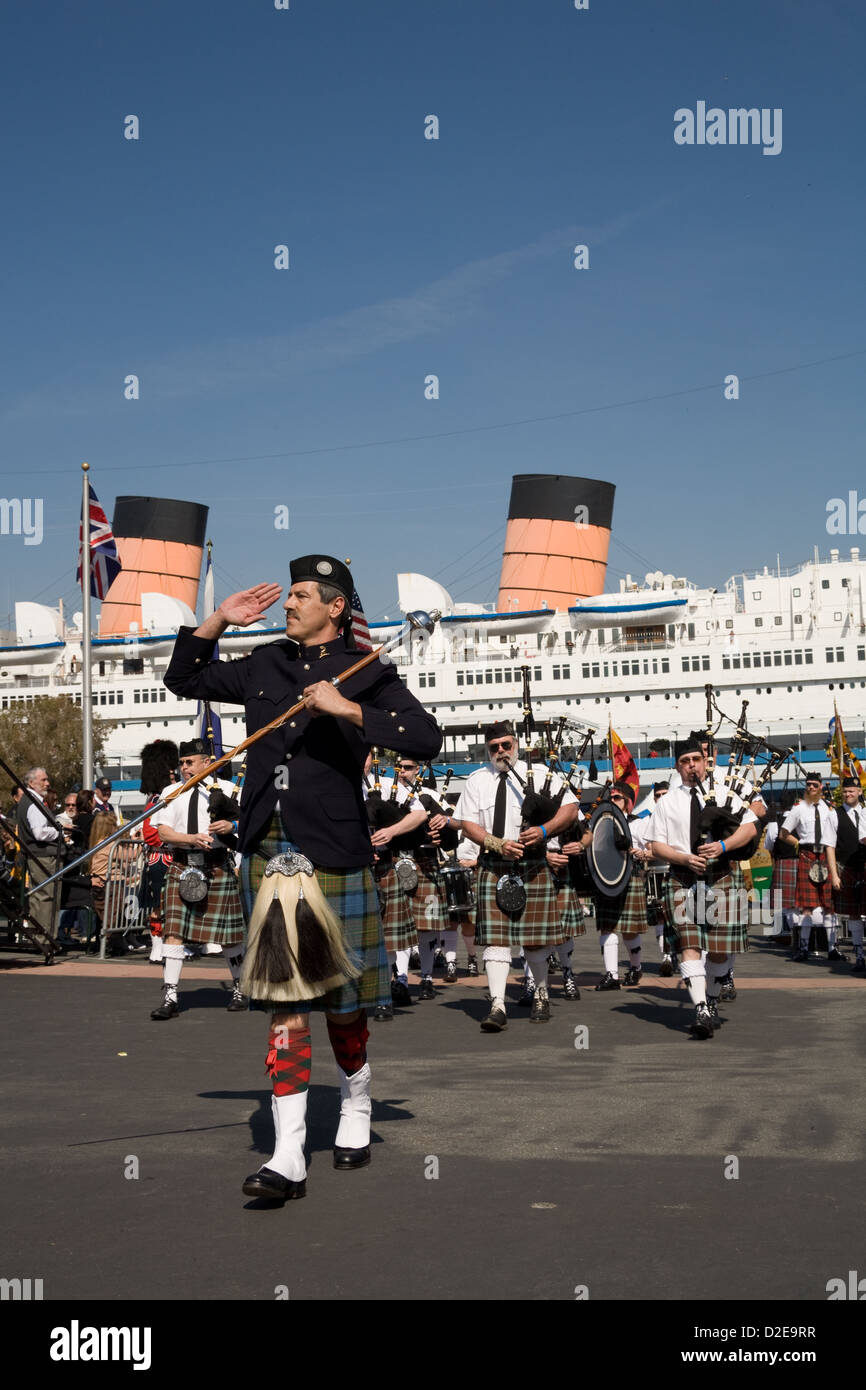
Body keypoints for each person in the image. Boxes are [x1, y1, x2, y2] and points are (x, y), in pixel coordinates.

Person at [163, 556, 441, 1204]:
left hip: (335, 849)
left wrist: (348, 708)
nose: (287, 603)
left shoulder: (365, 670)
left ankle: (357, 1101)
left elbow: (425, 736)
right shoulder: (265, 663)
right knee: (286, 1006)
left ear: (336, 607)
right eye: (286, 594)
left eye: (300, 595)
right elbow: (185, 677)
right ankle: (288, 1155)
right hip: (269, 850)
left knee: (343, 1010)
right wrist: (216, 621)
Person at [455, 721, 582, 1030]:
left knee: (536, 942)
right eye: (494, 746)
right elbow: (467, 824)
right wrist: (496, 844)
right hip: (494, 865)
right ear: (488, 748)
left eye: (506, 745)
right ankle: (498, 1005)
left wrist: (543, 830)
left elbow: (572, 808)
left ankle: (541, 994)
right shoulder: (477, 780)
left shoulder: (539, 775)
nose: (501, 751)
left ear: (516, 744)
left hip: (533, 865)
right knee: (496, 942)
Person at [648, 739, 759, 1038]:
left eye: (696, 759)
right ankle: (700, 1008)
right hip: (683, 877)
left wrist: (723, 846)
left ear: (705, 761)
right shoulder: (667, 802)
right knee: (690, 944)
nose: (691, 765)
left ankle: (710, 997)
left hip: (721, 875)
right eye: (685, 761)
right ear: (677, 766)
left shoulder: (725, 793)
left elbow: (749, 827)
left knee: (721, 952)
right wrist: (684, 857)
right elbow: (656, 845)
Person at [147, 739, 248, 1017]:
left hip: (217, 865)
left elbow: (249, 822)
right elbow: (163, 833)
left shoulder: (227, 790)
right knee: (173, 931)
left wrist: (231, 825)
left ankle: (239, 987)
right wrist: (190, 838)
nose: (184, 768)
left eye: (189, 762)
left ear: (207, 762)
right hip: (181, 866)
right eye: (181, 763)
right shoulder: (171, 791)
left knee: (229, 935)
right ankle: (170, 996)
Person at [363, 754, 426, 1017]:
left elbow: (420, 813)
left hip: (384, 866)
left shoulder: (388, 784)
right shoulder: (336, 785)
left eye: (365, 755)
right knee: (361, 936)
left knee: (387, 937)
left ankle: (383, 994)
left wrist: (392, 831)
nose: (361, 760)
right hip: (352, 866)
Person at [593, 781, 654, 990]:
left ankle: (636, 968)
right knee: (607, 926)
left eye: (617, 798)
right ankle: (611, 974)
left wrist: (636, 852)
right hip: (606, 878)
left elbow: (653, 850)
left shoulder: (640, 823)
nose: (612, 801)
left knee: (629, 930)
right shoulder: (600, 825)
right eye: (610, 798)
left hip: (631, 877)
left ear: (628, 803)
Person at [780, 773, 840, 963]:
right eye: (808, 785)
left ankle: (832, 948)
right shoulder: (798, 809)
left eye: (814, 785)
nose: (811, 788)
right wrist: (797, 844)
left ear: (821, 787)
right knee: (806, 906)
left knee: (830, 905)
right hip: (807, 855)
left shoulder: (830, 809)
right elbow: (783, 833)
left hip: (826, 855)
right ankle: (804, 948)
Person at [138, 740, 179, 965]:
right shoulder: (156, 800)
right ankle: (157, 945)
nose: (174, 776)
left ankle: (168, 944)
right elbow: (151, 834)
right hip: (161, 857)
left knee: (172, 905)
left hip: (172, 857)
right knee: (159, 905)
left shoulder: (166, 797)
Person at [16, 768, 63, 939]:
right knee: (46, 897)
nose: (47, 783)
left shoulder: (29, 800)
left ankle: (38, 937)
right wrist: (60, 832)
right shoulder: (33, 803)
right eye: (43, 780)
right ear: (31, 782)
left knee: (38, 896)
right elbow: (39, 833)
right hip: (43, 856)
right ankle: (45, 939)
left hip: (37, 855)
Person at [831, 777, 866, 972]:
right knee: (853, 913)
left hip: (865, 867)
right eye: (845, 791)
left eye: (852, 791)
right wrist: (835, 873)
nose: (848, 794)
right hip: (847, 867)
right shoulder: (835, 814)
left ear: (860, 791)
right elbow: (829, 846)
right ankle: (859, 956)